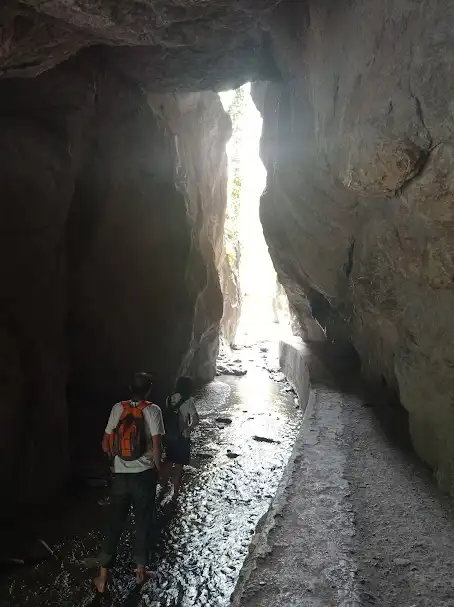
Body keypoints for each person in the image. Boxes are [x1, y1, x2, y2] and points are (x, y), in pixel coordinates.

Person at [93, 372, 165, 593]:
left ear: (129, 387)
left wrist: (114, 465)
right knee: (143, 522)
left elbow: (105, 444)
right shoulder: (153, 410)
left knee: (114, 524)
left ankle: (103, 578)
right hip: (143, 476)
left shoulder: (118, 408)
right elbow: (156, 447)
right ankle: (140, 573)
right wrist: (159, 470)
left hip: (121, 478)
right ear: (149, 389)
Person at [162, 376, 199, 498]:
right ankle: (175, 493)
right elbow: (195, 419)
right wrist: (188, 428)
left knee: (168, 461)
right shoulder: (188, 401)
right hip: (182, 438)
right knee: (178, 466)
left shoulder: (169, 399)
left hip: (169, 436)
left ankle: (163, 485)